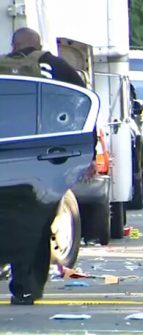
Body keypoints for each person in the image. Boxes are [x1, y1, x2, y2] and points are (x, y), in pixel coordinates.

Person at [4, 28, 87, 305]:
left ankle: (17, 278)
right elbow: (81, 107)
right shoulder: (58, 67)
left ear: (14, 45)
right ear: (39, 45)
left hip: (5, 159)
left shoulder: (3, 69)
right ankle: (28, 287)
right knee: (36, 225)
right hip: (41, 162)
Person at [5, 27, 85, 87]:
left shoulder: (3, 63)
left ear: (14, 45)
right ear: (40, 47)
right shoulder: (59, 64)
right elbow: (81, 95)